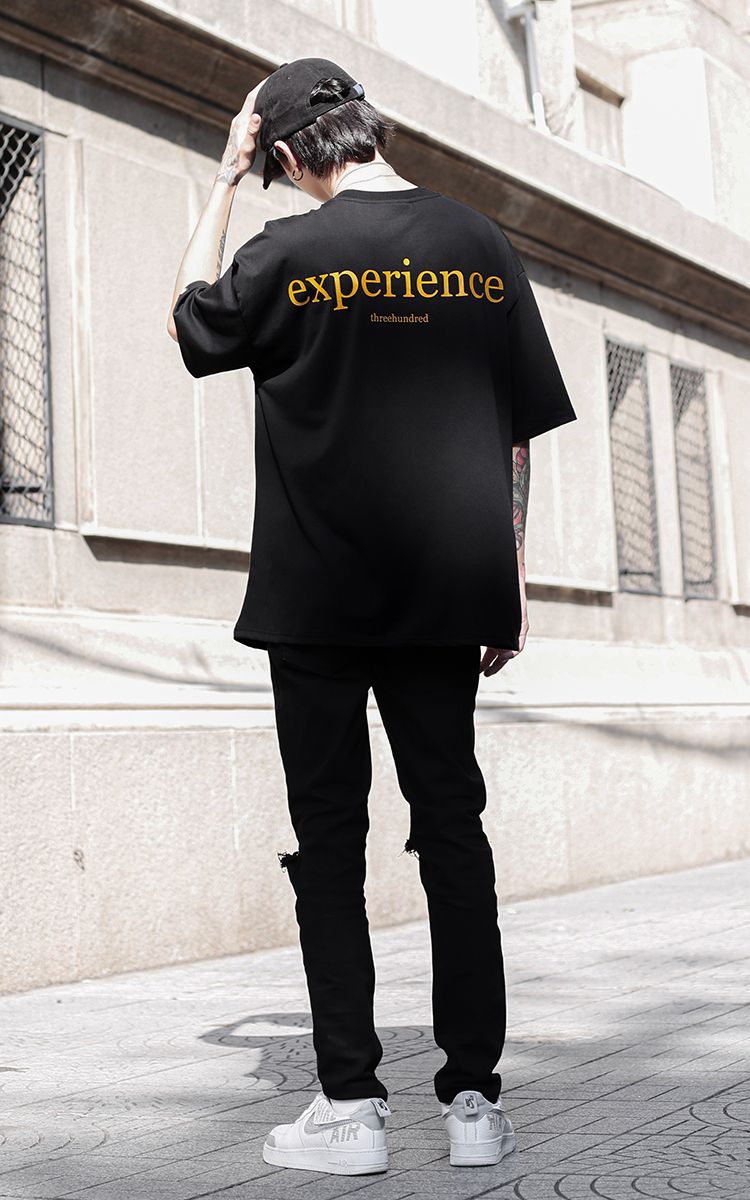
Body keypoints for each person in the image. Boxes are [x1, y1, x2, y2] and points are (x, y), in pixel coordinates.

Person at [167, 56, 577, 1177]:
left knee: (330, 846)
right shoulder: (479, 243)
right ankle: (475, 1102)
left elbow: (190, 323)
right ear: (370, 126)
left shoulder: (284, 251)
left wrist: (222, 182)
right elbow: (514, 427)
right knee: (453, 833)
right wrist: (511, 574)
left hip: (316, 598)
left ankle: (350, 1105)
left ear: (287, 154)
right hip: (449, 594)